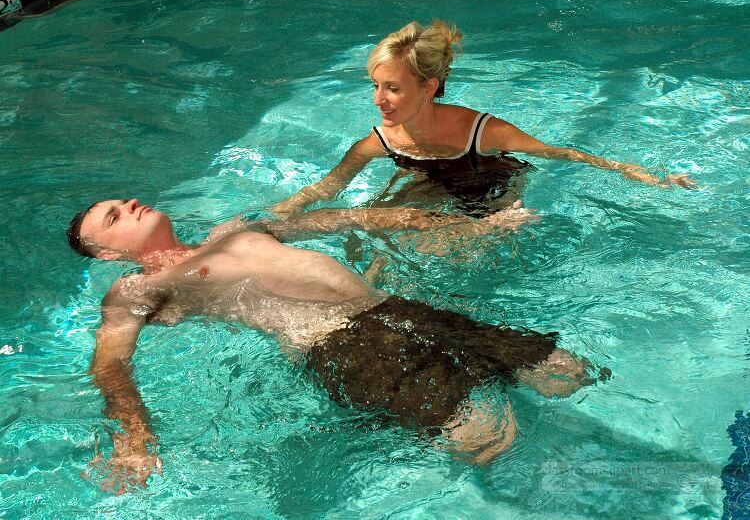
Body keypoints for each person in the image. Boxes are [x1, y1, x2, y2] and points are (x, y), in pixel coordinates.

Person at [67, 198, 603, 494]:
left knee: (565, 373)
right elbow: (110, 364)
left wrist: (472, 226)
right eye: (113, 218)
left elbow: (349, 218)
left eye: (121, 201)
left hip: (397, 310)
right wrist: (133, 436)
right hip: (342, 346)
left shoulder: (236, 229)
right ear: (110, 257)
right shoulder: (137, 290)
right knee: (488, 438)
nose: (128, 204)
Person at [273, 20, 696, 218]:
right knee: (372, 224)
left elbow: (562, 153)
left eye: (393, 88)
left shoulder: (483, 131)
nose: (379, 99)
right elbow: (330, 184)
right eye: (376, 85)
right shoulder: (384, 139)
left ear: (430, 87)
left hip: (493, 184)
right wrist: (284, 209)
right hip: (433, 182)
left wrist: (643, 176)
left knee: (434, 241)